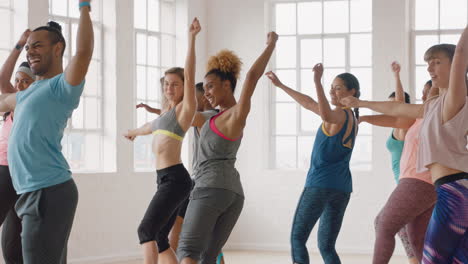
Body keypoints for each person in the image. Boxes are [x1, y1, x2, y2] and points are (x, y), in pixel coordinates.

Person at [341, 25, 468, 263]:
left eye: (436, 62)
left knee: (433, 255)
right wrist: (362, 102)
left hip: (454, 190)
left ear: (456, 69)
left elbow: (461, 52)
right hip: (446, 188)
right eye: (428, 63)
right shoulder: (433, 107)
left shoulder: (454, 100)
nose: (429, 68)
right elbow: (397, 108)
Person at [0, 1, 94, 261]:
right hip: (33, 191)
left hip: (48, 191)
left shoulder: (62, 87)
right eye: (28, 48)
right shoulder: (26, 93)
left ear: (58, 48)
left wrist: (84, 7)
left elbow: (84, 52)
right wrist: (17, 46)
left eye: (37, 45)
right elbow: (1, 100)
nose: (30, 52)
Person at [177, 31, 278, 264]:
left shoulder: (236, 114)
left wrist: (271, 46)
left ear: (227, 84)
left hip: (210, 188)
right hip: (232, 194)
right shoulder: (208, 118)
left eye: (211, 87)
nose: (207, 92)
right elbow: (181, 110)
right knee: (207, 256)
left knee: (188, 250)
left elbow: (252, 77)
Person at [124, 18, 200, 264]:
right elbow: (149, 126)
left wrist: (191, 38)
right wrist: (133, 131)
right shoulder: (166, 114)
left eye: (175, 84)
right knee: (159, 237)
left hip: (175, 178)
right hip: (165, 178)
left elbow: (189, 73)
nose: (169, 88)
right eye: (166, 84)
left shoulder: (184, 110)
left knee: (145, 230)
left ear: (183, 87)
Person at [266, 63, 360, 264]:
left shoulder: (339, 115)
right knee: (326, 246)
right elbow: (309, 103)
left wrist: (317, 80)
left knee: (297, 238)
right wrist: (281, 85)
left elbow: (325, 113)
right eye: (331, 87)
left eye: (337, 87)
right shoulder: (351, 117)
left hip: (319, 185)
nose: (332, 91)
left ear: (352, 92)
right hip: (342, 189)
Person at [0, 29, 35, 264]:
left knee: (19, 236)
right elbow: (3, 81)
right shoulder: (12, 103)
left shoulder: (32, 102)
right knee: (10, 240)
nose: (20, 85)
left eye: (25, 81)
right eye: (18, 81)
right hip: (3, 169)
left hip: (21, 173)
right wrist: (19, 45)